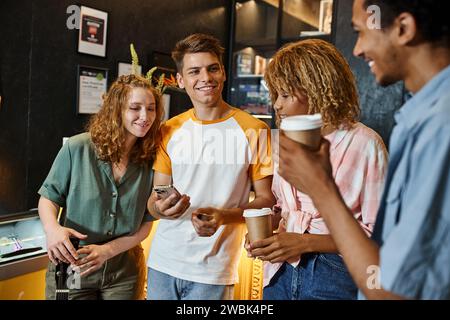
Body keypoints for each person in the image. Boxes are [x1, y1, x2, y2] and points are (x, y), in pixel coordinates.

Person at [275, 0, 450, 299]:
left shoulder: (438, 126)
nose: (356, 50)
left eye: (360, 32)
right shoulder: (415, 120)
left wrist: (321, 188)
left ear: (404, 28)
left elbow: (391, 289)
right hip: (283, 273)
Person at [246, 39, 388, 300]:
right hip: (280, 273)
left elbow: (378, 237)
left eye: (285, 95)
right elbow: (281, 207)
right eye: (275, 95)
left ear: (317, 89)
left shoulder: (365, 144)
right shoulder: (284, 141)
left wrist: (305, 242)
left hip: (335, 272)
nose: (276, 105)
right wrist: (264, 232)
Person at [146, 33, 275, 300]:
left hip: (213, 272)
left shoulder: (255, 130)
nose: (205, 78)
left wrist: (224, 216)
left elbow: (266, 201)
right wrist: (161, 208)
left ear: (224, 72)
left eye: (212, 68)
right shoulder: (168, 130)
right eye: (194, 71)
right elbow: (155, 197)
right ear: (180, 80)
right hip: (162, 264)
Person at [38, 74, 164, 299]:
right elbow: (49, 197)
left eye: (151, 109)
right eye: (135, 108)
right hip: (72, 267)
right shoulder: (78, 148)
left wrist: (108, 251)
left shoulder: (153, 159)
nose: (145, 117)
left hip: (125, 272)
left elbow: (146, 222)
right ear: (116, 110)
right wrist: (52, 229)